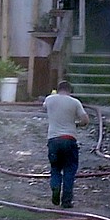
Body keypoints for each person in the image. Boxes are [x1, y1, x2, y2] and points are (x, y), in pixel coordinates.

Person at [42, 80, 89, 208]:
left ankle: (55, 187)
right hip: (69, 139)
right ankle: (66, 201)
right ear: (70, 90)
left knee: (55, 168)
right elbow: (85, 120)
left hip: (53, 140)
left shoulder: (50, 99)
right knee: (69, 169)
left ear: (58, 89)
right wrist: (77, 124)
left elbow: (44, 107)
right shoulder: (75, 102)